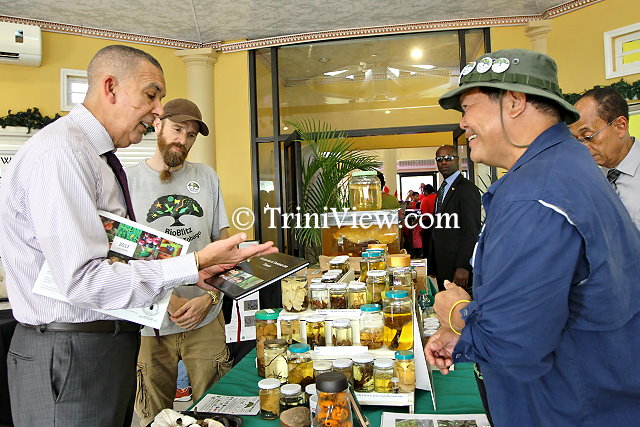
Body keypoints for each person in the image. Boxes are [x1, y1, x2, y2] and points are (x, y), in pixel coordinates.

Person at [0, 45, 277, 426]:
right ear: (110, 88)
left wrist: (196, 273)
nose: (158, 110)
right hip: (71, 353)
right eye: (151, 95)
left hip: (102, 343)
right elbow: (82, 279)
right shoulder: (62, 154)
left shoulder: (95, 158)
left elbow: (115, 250)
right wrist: (191, 264)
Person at [425, 48, 640, 426]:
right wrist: (470, 333)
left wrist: (457, 314)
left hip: (563, 409)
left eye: (468, 108)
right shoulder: (566, 165)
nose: (463, 123)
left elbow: (515, 347)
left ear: (514, 102)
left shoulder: (535, 194)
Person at [126, 98, 232, 425]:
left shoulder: (207, 177)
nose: (182, 140)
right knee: (153, 415)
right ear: (157, 124)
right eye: (177, 129)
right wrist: (166, 299)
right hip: (149, 321)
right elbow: (121, 254)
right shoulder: (127, 181)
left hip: (205, 316)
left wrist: (209, 298)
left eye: (191, 135)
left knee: (217, 410)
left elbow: (224, 248)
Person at [570, 87, 640, 229]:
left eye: (588, 137)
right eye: (576, 140)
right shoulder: (589, 181)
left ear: (620, 126)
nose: (582, 147)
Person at [428, 145, 480, 291]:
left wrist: (463, 266)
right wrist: (433, 263)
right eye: (439, 159)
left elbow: (471, 230)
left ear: (457, 160)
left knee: (458, 303)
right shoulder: (443, 188)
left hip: (457, 267)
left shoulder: (466, 189)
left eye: (448, 158)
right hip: (442, 263)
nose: (443, 162)